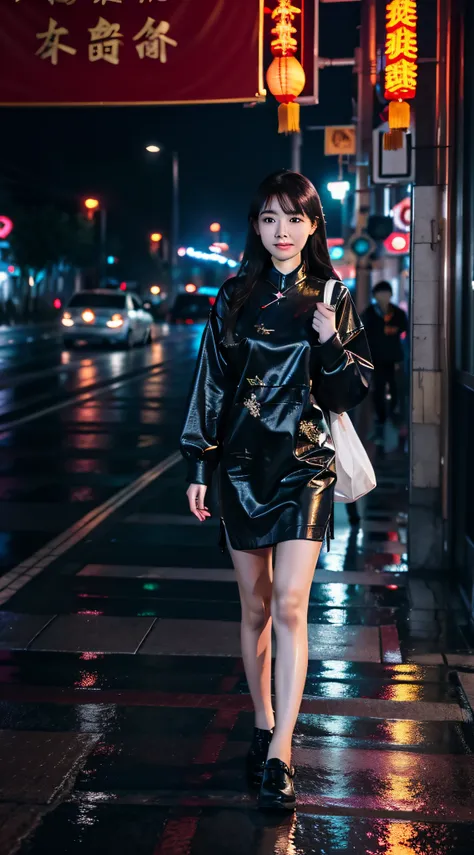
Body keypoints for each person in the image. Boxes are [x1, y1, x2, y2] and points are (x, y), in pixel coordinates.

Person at [180, 171, 373, 812]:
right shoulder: (233, 294)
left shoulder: (334, 296)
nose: (281, 231)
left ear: (314, 225)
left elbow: (350, 395)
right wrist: (197, 465)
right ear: (256, 228)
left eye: (293, 219)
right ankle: (262, 719)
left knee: (291, 605)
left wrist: (330, 344)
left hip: (306, 466)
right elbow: (211, 381)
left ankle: (281, 753)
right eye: (269, 219)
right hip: (239, 467)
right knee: (257, 609)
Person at [362, 281, 408, 439]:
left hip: (394, 358)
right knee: (379, 388)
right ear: (375, 295)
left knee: (396, 387)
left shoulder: (398, 313)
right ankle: (380, 420)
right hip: (375, 358)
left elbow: (405, 329)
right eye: (380, 293)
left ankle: (394, 415)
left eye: (386, 293)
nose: (383, 296)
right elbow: (362, 334)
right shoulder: (369, 313)